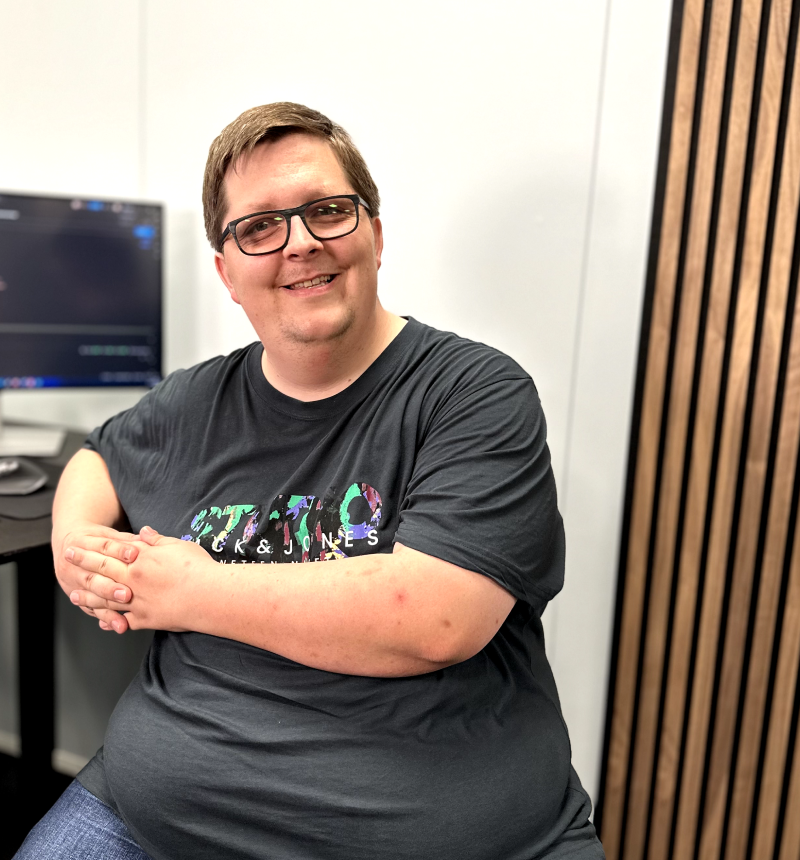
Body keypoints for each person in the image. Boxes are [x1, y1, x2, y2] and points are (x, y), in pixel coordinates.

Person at [16, 103, 605, 860]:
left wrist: (191, 590)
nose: (299, 242)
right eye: (260, 226)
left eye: (327, 211)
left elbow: (436, 620)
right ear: (228, 273)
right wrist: (75, 546)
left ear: (375, 235)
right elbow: (97, 457)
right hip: (148, 816)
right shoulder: (194, 401)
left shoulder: (474, 392)